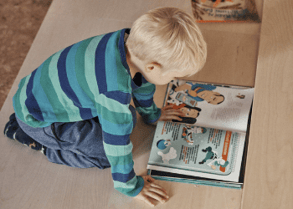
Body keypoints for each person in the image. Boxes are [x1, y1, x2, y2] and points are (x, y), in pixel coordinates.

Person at [3, 7, 207, 207]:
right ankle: (34, 140)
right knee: (103, 153)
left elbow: (143, 82)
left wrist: (152, 115)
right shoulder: (114, 91)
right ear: (152, 67)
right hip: (41, 120)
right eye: (173, 76)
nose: (175, 80)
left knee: (128, 117)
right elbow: (116, 144)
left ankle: (28, 128)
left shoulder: (128, 43)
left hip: (38, 96)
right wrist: (130, 186)